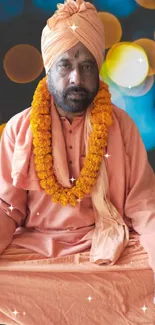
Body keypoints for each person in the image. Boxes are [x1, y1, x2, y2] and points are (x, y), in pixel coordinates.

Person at [0, 0, 155, 273]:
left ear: (98, 71)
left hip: (109, 248)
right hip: (36, 251)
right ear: (48, 71)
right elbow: (6, 208)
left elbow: (144, 204)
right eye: (65, 65)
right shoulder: (19, 128)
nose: (76, 78)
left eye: (86, 66)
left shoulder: (121, 126)